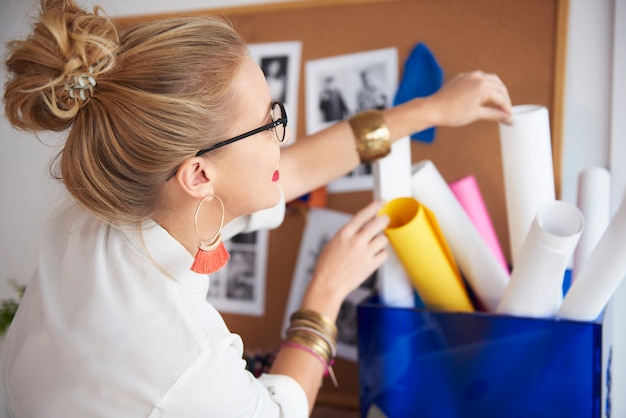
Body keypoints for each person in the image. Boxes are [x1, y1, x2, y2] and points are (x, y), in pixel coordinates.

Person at [0, 0, 512, 417]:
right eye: (269, 123)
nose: (281, 136)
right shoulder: (186, 361)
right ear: (198, 175)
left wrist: (431, 109)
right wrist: (326, 293)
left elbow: (298, 169)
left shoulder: (101, 208)